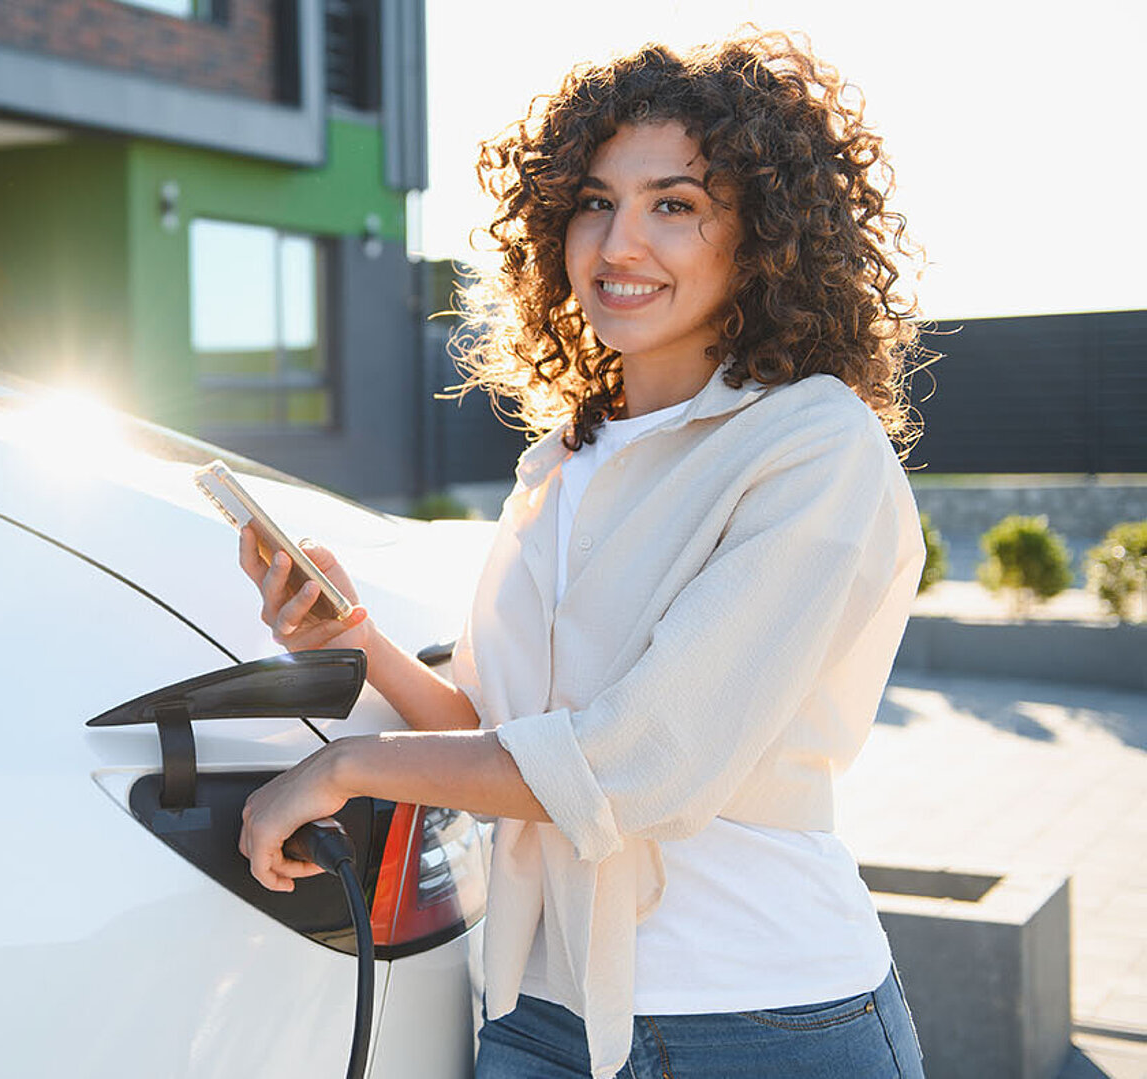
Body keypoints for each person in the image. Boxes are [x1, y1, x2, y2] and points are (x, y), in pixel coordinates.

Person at [235, 30, 930, 1079]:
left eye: (675, 204)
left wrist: (349, 764)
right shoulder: (561, 461)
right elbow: (499, 736)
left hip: (763, 1019)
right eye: (594, 201)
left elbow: (637, 762)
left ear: (765, 236)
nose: (618, 244)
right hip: (537, 1014)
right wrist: (360, 641)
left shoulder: (816, 446)